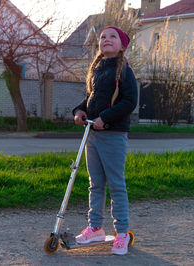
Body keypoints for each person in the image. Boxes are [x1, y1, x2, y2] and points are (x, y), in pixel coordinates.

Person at [72, 26, 138, 255]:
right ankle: (96, 227)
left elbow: (129, 102)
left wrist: (105, 118)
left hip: (113, 135)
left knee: (116, 185)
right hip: (93, 135)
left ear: (122, 45)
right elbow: (91, 97)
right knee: (95, 183)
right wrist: (80, 111)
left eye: (113, 37)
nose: (106, 40)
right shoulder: (98, 69)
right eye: (102, 37)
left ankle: (121, 233)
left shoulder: (124, 71)